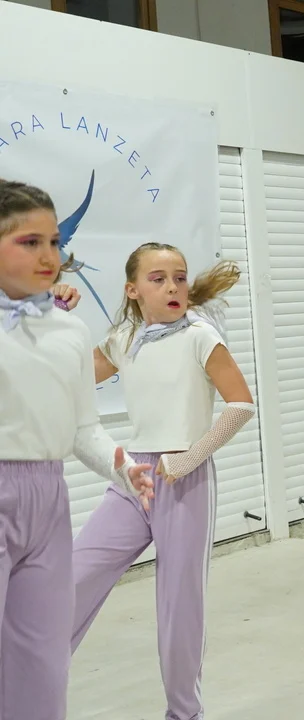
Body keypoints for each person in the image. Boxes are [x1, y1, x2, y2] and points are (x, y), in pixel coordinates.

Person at [68, 244, 253, 720]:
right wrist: (50, 318)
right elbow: (69, 375)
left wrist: (188, 460)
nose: (172, 286)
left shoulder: (200, 336)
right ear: (132, 290)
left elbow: (240, 405)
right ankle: (26, 686)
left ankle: (184, 713)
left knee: (179, 608)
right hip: (135, 478)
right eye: (158, 279)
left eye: (180, 277)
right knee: (73, 578)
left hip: (186, 480)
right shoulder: (125, 337)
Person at [0, 178, 154, 717]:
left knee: (43, 662)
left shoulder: (69, 330)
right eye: (29, 242)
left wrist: (123, 468)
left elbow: (83, 428)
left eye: (54, 242)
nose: (50, 257)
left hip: (48, 499)